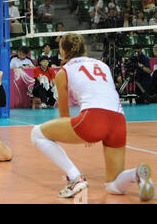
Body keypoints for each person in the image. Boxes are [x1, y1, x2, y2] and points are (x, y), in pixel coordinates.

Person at [30, 33, 154, 201]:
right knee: (113, 185)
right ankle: (137, 173)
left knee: (37, 133)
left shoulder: (63, 72)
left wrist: (86, 132)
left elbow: (64, 116)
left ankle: (75, 178)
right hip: (118, 121)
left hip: (93, 118)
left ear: (63, 50)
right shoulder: (102, 66)